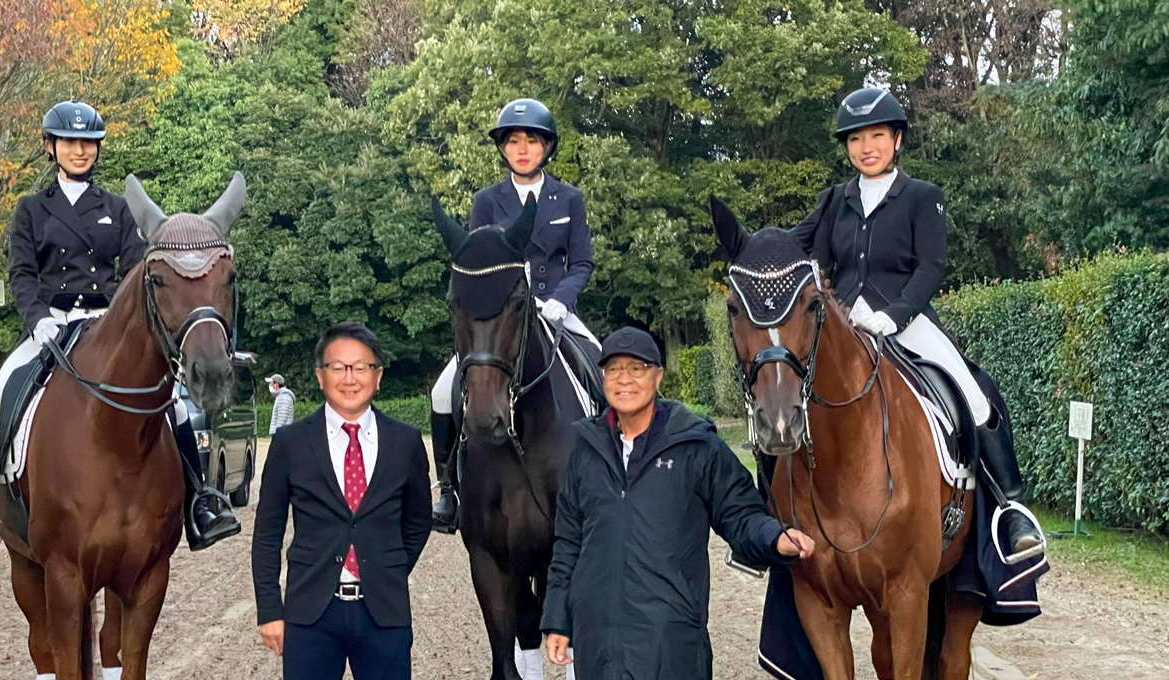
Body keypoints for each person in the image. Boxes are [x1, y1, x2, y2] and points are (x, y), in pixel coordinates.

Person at [0, 99, 239, 558]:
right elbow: (21, 274)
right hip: (52, 323)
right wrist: (37, 320)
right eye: (71, 143)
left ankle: (201, 501)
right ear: (50, 147)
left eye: (90, 143)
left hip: (108, 322)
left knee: (169, 399)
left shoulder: (117, 210)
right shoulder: (32, 209)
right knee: (3, 387)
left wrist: (118, 319)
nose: (81, 151)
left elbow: (138, 271)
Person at [791, 86, 1043, 563]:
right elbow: (813, 261)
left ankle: (1011, 509)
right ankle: (780, 509)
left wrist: (892, 315)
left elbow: (930, 267)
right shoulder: (833, 202)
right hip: (842, 325)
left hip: (903, 320)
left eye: (877, 135)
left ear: (897, 140)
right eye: (856, 138)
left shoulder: (923, 197)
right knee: (785, 393)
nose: (866, 147)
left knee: (974, 392)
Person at [540, 327, 815, 680]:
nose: (624, 379)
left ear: (658, 377)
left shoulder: (696, 446)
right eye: (614, 369)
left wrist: (773, 537)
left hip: (670, 645)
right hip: (598, 646)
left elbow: (740, 513)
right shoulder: (585, 448)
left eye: (637, 368)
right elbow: (568, 542)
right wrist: (558, 620)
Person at [429, 97, 599, 532]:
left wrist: (560, 300)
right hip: (502, 316)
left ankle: (613, 476)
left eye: (532, 141)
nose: (522, 149)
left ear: (547, 148)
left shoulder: (569, 199)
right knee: (442, 389)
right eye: (513, 141)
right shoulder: (487, 201)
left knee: (603, 368)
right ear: (503, 148)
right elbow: (479, 260)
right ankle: (448, 487)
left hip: (557, 311)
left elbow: (581, 262)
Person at [253, 322, 433, 680]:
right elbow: (268, 532)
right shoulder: (290, 444)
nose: (349, 378)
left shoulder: (406, 442)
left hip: (385, 615)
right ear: (321, 376)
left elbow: (418, 521)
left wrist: (385, 567)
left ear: (377, 375)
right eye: (338, 367)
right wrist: (270, 610)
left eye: (360, 367)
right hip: (311, 615)